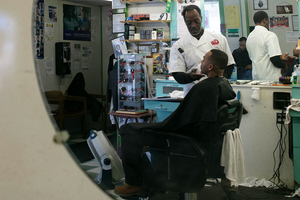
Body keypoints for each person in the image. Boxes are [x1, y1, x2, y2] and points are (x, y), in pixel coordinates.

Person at [114, 49, 237, 199]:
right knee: (138, 129)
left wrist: (163, 125)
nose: (201, 62)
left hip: (184, 139)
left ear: (210, 67)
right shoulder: (223, 85)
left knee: (128, 130)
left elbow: (177, 122)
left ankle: (134, 184)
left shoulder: (204, 87)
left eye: (204, 60)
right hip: (199, 138)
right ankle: (150, 179)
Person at [169, 5, 235, 96]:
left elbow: (230, 64)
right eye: (189, 23)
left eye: (196, 21)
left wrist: (218, 80)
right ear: (185, 22)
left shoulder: (219, 39)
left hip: (218, 90)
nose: (193, 25)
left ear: (201, 18)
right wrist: (190, 77)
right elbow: (177, 74)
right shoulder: (179, 45)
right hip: (193, 93)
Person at [246, 11, 288, 81]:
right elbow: (275, 59)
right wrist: (284, 66)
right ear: (264, 20)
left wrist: (280, 57)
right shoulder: (270, 35)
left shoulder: (250, 37)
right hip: (270, 78)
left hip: (256, 78)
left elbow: (260, 55)